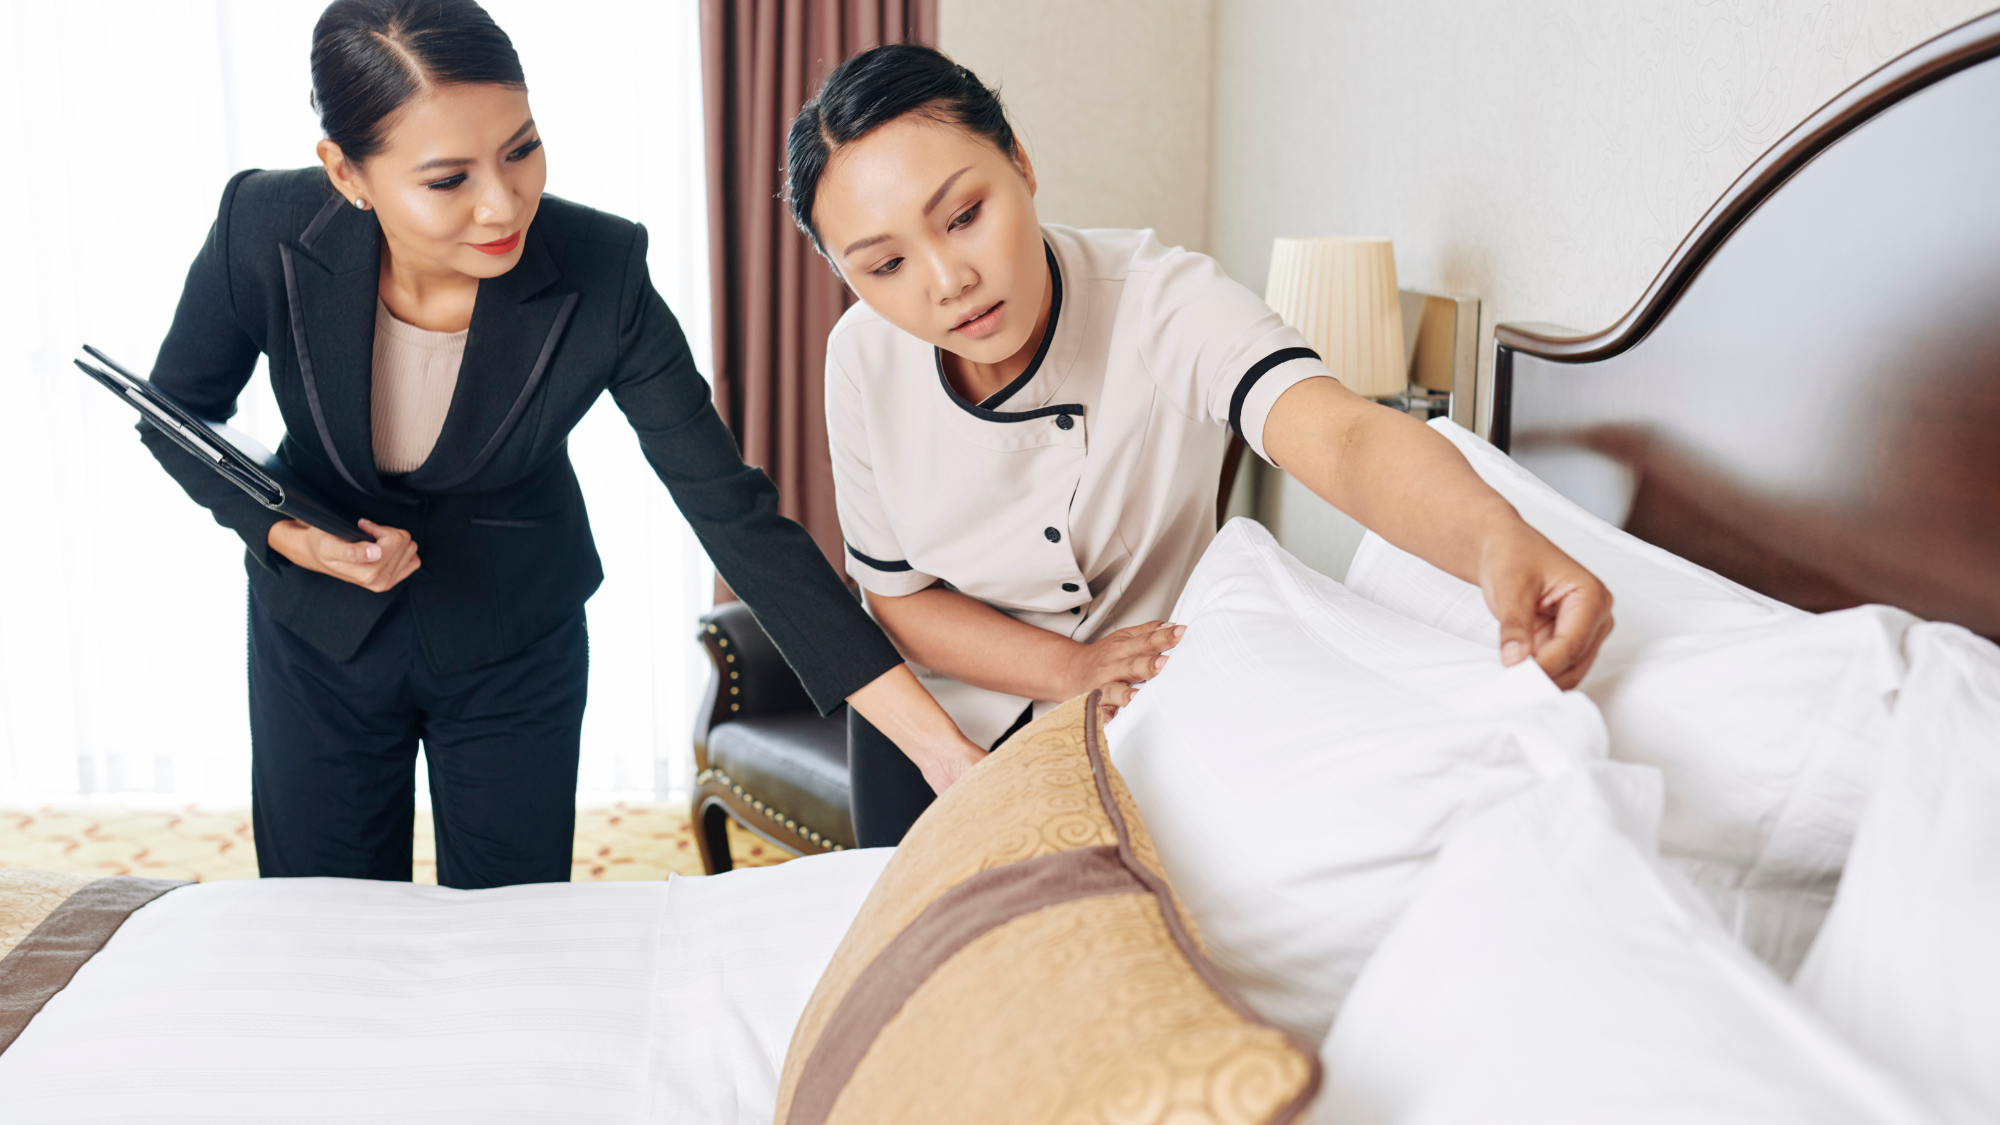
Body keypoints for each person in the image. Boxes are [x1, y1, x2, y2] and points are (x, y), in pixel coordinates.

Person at [142, 0, 985, 889]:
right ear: (347, 174)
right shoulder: (262, 226)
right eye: (446, 179)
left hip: (513, 637)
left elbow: (733, 514)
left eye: (521, 148)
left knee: (514, 939)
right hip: (317, 634)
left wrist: (938, 747)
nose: (503, 204)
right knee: (324, 925)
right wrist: (287, 534)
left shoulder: (600, 268)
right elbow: (175, 411)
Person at [786, 44, 1618, 847]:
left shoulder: (1161, 302)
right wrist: (1068, 667)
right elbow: (899, 598)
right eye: (886, 265)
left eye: (964, 216)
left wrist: (1497, 541)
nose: (946, 280)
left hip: (1130, 718)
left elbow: (1346, 435)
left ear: (1023, 163)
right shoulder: (861, 359)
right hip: (930, 730)